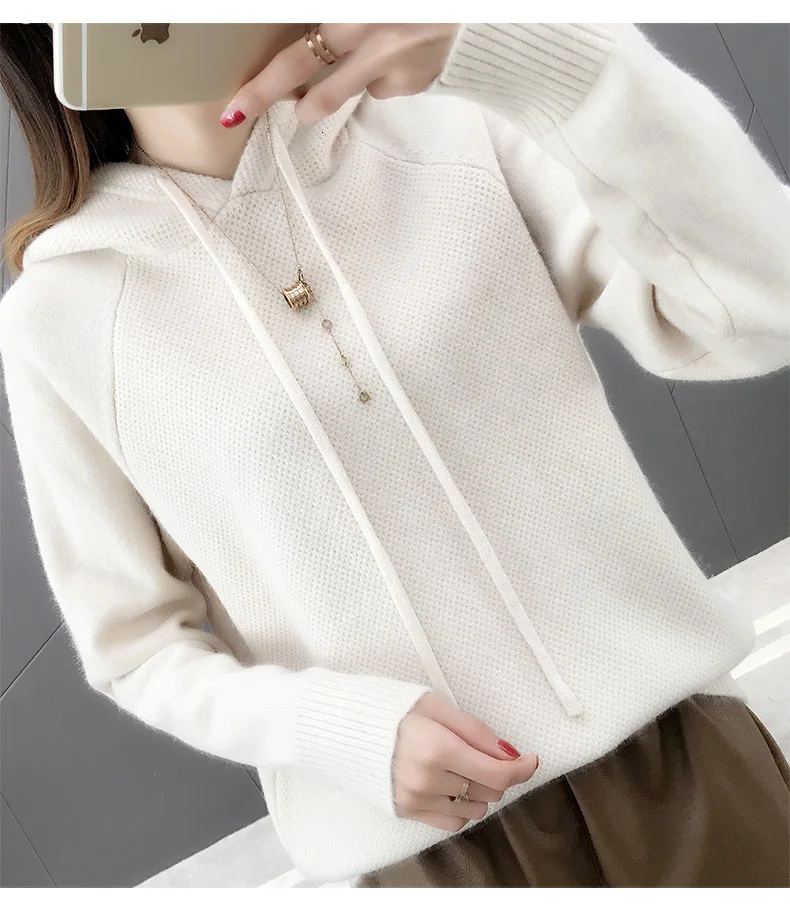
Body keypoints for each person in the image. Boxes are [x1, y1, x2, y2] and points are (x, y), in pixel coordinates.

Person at [0, 22, 788, 888]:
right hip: (432, 859)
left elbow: (761, 313)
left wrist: (569, 63)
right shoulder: (62, 316)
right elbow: (138, 649)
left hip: (682, 768)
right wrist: (336, 728)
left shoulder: (457, 128)